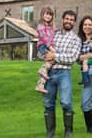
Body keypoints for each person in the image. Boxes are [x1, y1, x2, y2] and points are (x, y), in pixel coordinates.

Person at [43, 10, 81, 138]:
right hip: (49, 72)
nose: (69, 21)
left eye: (71, 20)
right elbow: (44, 50)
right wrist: (47, 55)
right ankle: (50, 133)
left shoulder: (76, 39)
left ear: (74, 22)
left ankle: (68, 132)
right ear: (62, 19)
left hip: (64, 73)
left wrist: (54, 55)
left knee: (66, 102)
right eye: (67, 18)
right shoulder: (53, 34)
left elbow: (71, 58)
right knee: (48, 103)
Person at [35, 6, 55, 94]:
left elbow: (52, 38)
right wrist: (51, 48)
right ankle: (42, 69)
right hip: (43, 46)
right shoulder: (41, 26)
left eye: (50, 15)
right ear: (42, 14)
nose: (48, 16)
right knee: (53, 58)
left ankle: (40, 86)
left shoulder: (50, 27)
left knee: (49, 63)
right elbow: (45, 38)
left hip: (48, 46)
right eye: (47, 14)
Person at [77, 15, 92, 133]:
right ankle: (90, 128)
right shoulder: (79, 42)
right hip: (86, 76)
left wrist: (84, 58)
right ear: (82, 26)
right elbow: (77, 58)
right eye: (85, 24)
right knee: (85, 103)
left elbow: (81, 57)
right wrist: (88, 56)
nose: (87, 26)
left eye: (90, 24)